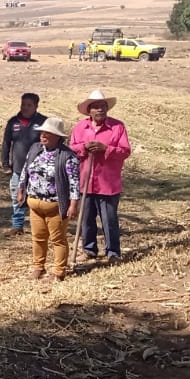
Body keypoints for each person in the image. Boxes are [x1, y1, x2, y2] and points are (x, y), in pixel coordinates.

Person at [69, 90, 131, 264]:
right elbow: (71, 149)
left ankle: (113, 252)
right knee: (86, 218)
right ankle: (89, 249)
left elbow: (125, 151)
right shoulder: (80, 127)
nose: (100, 110)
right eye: (96, 107)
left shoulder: (118, 127)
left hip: (108, 183)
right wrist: (84, 148)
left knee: (109, 219)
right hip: (85, 181)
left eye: (103, 106)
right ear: (89, 111)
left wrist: (106, 149)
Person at [16, 117, 81, 281]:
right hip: (34, 203)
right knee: (37, 236)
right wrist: (21, 189)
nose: (43, 135)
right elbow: (26, 169)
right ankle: (38, 267)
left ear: (58, 136)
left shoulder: (67, 156)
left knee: (58, 239)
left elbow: (74, 182)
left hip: (55, 206)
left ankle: (59, 271)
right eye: (42, 132)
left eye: (48, 133)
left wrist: (73, 205)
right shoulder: (35, 149)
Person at [1, 93, 47, 235]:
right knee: (17, 197)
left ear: (36, 106)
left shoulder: (43, 122)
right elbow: (6, 143)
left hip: (38, 169)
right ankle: (17, 225)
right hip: (18, 168)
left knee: (39, 198)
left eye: (29, 105)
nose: (25, 108)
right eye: (23, 105)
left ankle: (41, 226)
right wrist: (5, 164)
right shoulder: (13, 122)